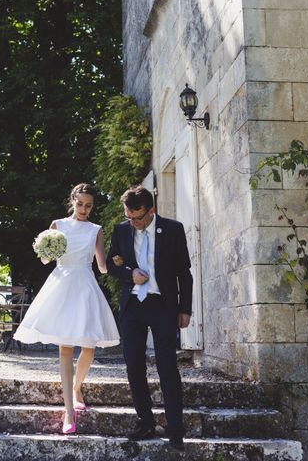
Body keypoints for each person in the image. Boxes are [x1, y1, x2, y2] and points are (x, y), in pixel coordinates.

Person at [14, 183, 120, 434]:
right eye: (80, 203)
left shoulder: (96, 230)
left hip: (85, 287)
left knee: (89, 348)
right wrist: (46, 248)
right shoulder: (57, 226)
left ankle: (76, 386)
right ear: (72, 200)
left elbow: (102, 267)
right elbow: (44, 259)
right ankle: (69, 412)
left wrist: (118, 261)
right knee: (64, 349)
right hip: (61, 286)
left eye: (89, 205)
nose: (84, 209)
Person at [106, 185, 193, 451]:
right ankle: (145, 422)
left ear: (151, 210)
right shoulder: (121, 230)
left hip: (162, 306)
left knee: (167, 367)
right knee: (133, 366)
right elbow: (110, 265)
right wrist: (128, 274)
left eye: (137, 217)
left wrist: (185, 309)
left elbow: (184, 273)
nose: (132, 222)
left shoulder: (173, 229)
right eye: (128, 217)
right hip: (132, 306)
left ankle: (175, 430)